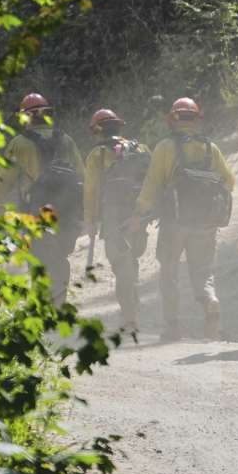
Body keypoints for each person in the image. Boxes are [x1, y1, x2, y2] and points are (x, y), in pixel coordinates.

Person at [128, 97, 235, 342]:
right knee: (203, 271)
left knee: (169, 272)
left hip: (174, 222)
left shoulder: (165, 147)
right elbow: (229, 182)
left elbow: (152, 184)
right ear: (197, 119)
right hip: (205, 223)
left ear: (172, 120)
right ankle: (210, 300)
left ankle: (173, 327)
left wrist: (138, 214)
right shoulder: (210, 147)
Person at [0, 93, 84, 307]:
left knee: (40, 263)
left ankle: (47, 314)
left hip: (38, 214)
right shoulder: (66, 139)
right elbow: (81, 176)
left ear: (25, 117)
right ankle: (57, 308)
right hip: (68, 213)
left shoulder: (20, 143)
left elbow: (2, 180)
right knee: (59, 259)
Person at [82, 108, 152, 331]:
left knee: (122, 265)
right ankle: (134, 305)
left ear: (97, 131)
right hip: (138, 213)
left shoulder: (97, 154)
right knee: (131, 259)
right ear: (119, 127)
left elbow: (91, 191)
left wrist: (90, 220)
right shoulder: (140, 148)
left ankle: (129, 317)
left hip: (113, 214)